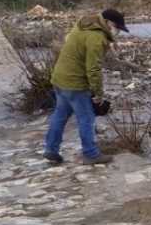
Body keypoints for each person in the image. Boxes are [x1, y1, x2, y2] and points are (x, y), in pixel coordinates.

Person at [43, 8, 129, 164]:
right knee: (87, 118)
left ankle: (50, 149)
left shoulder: (83, 24)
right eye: (117, 28)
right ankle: (90, 154)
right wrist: (98, 93)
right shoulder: (96, 37)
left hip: (59, 78)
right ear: (108, 23)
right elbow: (93, 69)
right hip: (75, 83)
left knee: (60, 115)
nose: (118, 32)